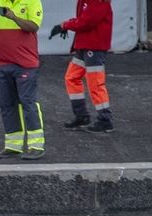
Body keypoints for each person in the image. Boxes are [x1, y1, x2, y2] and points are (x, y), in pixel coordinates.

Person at [0, 0, 46, 160]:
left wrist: (13, 17)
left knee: (28, 102)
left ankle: (36, 146)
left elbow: (34, 26)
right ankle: (13, 146)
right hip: (2, 63)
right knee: (7, 104)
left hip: (25, 64)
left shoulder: (32, 1)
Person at [52, 0, 114, 133]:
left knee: (95, 83)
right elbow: (85, 19)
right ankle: (82, 116)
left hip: (93, 46)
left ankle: (105, 119)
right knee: (72, 78)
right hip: (86, 45)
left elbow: (87, 21)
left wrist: (66, 25)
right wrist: (66, 25)